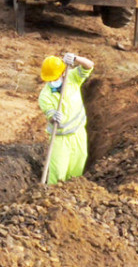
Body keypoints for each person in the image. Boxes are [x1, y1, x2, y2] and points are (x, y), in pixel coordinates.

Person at [38, 52, 94, 184]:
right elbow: (50, 114)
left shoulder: (73, 78)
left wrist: (76, 59)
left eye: (55, 78)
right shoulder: (45, 96)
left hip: (78, 134)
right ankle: (52, 196)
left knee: (77, 170)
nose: (53, 82)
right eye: (50, 80)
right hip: (60, 139)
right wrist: (53, 117)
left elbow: (89, 65)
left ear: (63, 73)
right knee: (58, 172)